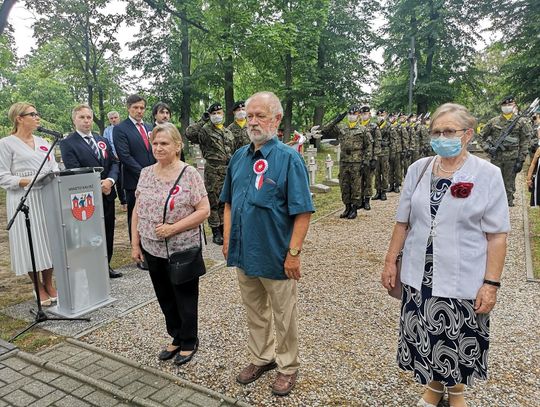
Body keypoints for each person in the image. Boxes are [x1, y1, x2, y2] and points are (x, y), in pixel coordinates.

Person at [381, 103, 509, 407]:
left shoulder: (486, 174)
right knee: (428, 336)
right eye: (436, 132)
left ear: (467, 134)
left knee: (456, 336)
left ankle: (458, 393)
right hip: (420, 273)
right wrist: (390, 261)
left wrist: (491, 284)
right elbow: (403, 221)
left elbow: (498, 235)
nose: (441, 137)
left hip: (463, 274)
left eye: (449, 131)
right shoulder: (420, 168)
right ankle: (434, 388)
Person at [220, 91, 314, 397]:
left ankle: (288, 366)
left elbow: (302, 212)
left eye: (261, 115)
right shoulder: (238, 157)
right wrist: (227, 238)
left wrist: (294, 254)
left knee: (284, 315)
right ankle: (262, 357)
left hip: (275, 255)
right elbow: (230, 203)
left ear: (276, 119)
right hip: (244, 252)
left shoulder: (289, 159)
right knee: (254, 311)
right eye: (250, 116)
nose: (254, 121)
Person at [131, 122, 210, 365]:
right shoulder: (145, 173)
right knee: (164, 296)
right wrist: (135, 243)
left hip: (181, 249)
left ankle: (189, 340)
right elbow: (137, 209)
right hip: (152, 248)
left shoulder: (189, 174)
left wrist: (173, 229)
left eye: (164, 143)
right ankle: (175, 336)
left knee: (185, 296)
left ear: (177, 146)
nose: (158, 148)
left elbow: (204, 210)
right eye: (155, 143)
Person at [0, 102, 59, 306]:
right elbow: (3, 176)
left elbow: (53, 166)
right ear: (19, 118)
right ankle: (37, 286)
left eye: (37, 113)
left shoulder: (43, 141)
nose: (37, 117)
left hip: (45, 196)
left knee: (48, 241)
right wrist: (27, 181)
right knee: (30, 241)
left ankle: (49, 283)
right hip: (23, 197)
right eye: (33, 114)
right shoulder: (6, 144)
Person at [60, 104, 122, 278]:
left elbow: (114, 163)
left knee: (108, 230)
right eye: (82, 117)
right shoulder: (68, 143)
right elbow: (74, 169)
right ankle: (92, 267)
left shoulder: (101, 139)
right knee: (90, 233)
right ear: (74, 120)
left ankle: (106, 264)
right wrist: (97, 184)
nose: (86, 121)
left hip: (108, 193)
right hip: (86, 198)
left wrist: (110, 181)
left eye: (89, 117)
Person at [114, 94, 156, 269]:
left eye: (142, 108)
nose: (139, 111)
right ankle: (138, 253)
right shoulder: (121, 129)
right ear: (128, 108)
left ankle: (152, 250)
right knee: (136, 217)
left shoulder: (148, 127)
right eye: (135, 108)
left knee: (151, 215)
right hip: (134, 181)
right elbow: (124, 155)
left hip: (153, 179)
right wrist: (144, 173)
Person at [186, 102, 235, 245]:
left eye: (219, 113)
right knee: (214, 201)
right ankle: (215, 232)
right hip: (213, 170)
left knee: (225, 200)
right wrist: (203, 120)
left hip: (227, 170)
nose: (217, 116)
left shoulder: (228, 132)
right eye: (214, 114)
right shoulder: (205, 131)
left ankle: (224, 227)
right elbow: (189, 133)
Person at [479, 95, 533, 206]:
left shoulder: (521, 122)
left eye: (510, 104)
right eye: (505, 105)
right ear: (501, 106)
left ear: (514, 106)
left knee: (509, 182)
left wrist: (521, 160)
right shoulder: (493, 122)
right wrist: (487, 148)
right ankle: (495, 202)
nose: (507, 107)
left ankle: (508, 202)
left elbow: (525, 142)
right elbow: (480, 136)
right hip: (496, 157)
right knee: (495, 180)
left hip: (512, 157)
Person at [320, 105, 372, 219]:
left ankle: (354, 208)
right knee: (344, 185)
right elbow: (325, 130)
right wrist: (336, 120)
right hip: (344, 161)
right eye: (349, 114)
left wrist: (366, 160)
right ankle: (347, 207)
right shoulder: (342, 128)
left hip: (357, 161)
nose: (351, 116)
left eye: (353, 114)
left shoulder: (363, 129)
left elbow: (368, 146)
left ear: (358, 115)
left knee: (356, 185)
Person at [103, 110, 127, 211]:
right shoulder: (107, 131)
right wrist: (114, 155)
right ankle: (123, 202)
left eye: (115, 117)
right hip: (115, 158)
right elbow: (106, 145)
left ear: (119, 117)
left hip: (126, 157)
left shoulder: (125, 128)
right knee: (119, 181)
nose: (113, 120)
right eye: (111, 118)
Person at [359, 105, 380, 210]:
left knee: (368, 180)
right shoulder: (357, 126)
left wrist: (374, 158)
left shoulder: (374, 127)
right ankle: (360, 200)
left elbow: (377, 142)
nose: (364, 116)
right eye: (362, 114)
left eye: (365, 114)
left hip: (369, 157)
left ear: (369, 115)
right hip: (358, 158)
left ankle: (367, 200)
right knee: (358, 180)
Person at [372, 109, 393, 201]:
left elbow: (393, 140)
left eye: (382, 114)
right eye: (379, 115)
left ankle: (384, 191)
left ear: (386, 115)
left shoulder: (389, 126)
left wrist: (387, 144)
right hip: (376, 152)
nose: (380, 116)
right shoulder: (374, 126)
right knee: (377, 172)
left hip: (385, 152)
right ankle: (377, 191)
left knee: (384, 172)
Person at [388, 112, 403, 192]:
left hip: (397, 150)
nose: (391, 118)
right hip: (390, 150)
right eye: (390, 117)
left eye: (393, 117)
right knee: (390, 168)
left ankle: (397, 185)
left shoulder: (399, 126)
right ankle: (391, 185)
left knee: (397, 168)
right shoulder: (388, 126)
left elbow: (404, 138)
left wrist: (405, 149)